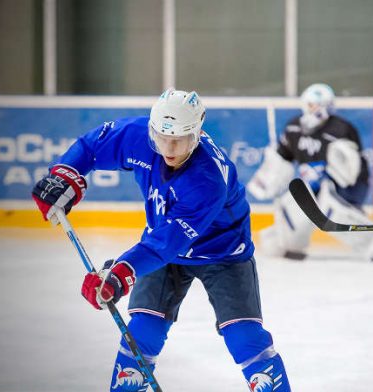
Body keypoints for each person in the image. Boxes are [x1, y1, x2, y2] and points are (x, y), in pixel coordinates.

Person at [32, 89, 291, 392]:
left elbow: (168, 243)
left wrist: (120, 274)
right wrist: (66, 174)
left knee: (245, 338)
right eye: (161, 138)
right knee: (143, 331)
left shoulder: (207, 179)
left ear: (197, 134)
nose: (168, 148)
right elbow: (92, 146)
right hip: (161, 247)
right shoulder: (139, 135)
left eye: (179, 140)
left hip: (222, 253)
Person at [247, 83, 373, 261]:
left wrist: (325, 175)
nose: (313, 110)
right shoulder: (294, 128)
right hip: (312, 187)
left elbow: (350, 171)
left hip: (345, 186)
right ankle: (288, 243)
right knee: (291, 204)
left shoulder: (341, 129)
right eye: (310, 105)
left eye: (317, 105)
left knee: (330, 209)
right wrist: (268, 178)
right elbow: (283, 158)